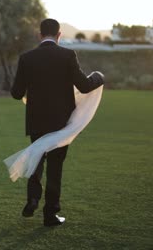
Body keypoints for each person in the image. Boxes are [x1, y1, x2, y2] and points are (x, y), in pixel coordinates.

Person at [10, 19, 104, 227]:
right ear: (59, 35)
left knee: (36, 158)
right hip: (61, 122)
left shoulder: (27, 58)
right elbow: (85, 86)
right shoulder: (67, 55)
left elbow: (16, 94)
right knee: (55, 167)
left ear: (39, 35)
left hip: (36, 119)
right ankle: (50, 215)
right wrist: (99, 77)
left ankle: (33, 198)